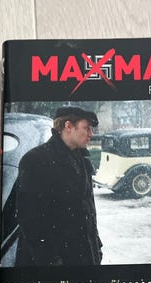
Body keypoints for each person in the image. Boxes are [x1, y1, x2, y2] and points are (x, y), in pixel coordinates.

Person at [15, 106, 102, 266]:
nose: (91, 134)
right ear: (68, 126)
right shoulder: (36, 160)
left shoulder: (81, 159)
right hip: (53, 265)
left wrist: (96, 247)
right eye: (86, 128)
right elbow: (29, 219)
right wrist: (52, 261)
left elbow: (87, 210)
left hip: (85, 257)